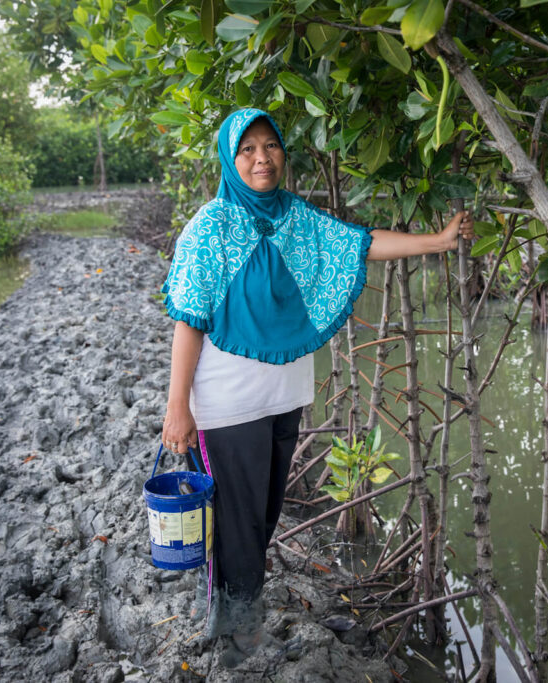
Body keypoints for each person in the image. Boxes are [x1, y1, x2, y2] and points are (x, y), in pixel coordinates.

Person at [159, 108, 474, 657]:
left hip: (284, 397)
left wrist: (438, 241)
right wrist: (176, 407)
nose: (262, 158)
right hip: (227, 402)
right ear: (230, 161)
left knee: (263, 514)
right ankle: (240, 635)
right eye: (248, 150)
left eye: (271, 147)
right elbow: (188, 319)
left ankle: (227, 612)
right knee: (238, 520)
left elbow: (361, 243)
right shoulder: (209, 227)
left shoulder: (295, 219)